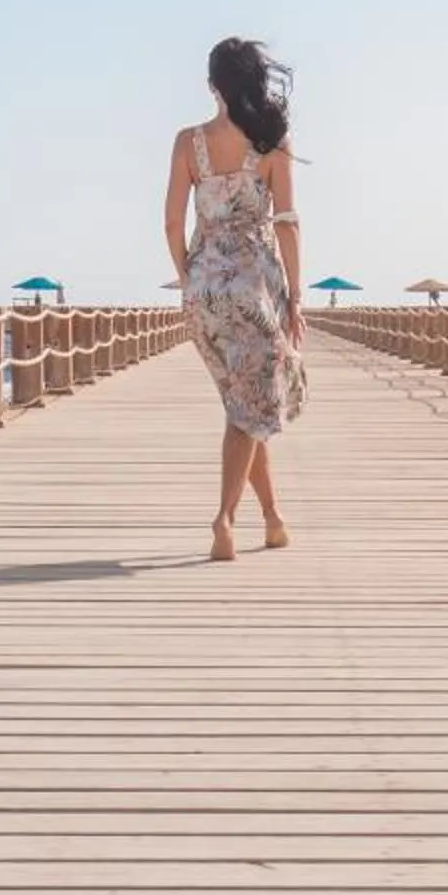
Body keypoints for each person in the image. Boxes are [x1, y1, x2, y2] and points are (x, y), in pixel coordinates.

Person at [165, 36, 309, 561]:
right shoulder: (273, 142)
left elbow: (170, 222)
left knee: (244, 403)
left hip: (204, 288)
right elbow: (288, 224)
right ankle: (224, 521)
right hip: (254, 288)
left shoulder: (189, 143)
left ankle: (273, 519)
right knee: (248, 408)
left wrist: (189, 278)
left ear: (212, 85)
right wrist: (296, 297)